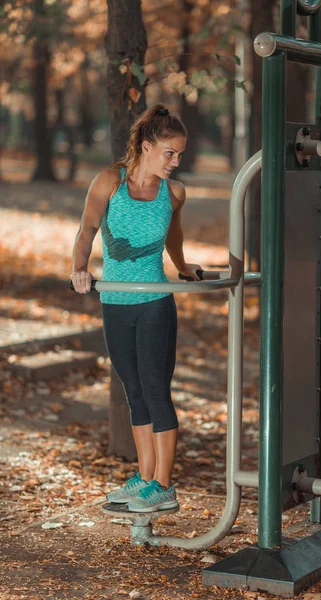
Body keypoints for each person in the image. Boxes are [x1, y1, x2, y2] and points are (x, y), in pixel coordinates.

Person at [71, 104, 201, 513]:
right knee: (134, 392)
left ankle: (163, 485)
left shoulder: (173, 193)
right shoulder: (108, 181)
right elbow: (87, 229)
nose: (176, 162)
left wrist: (183, 267)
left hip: (154, 304)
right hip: (114, 302)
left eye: (179, 155)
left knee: (155, 390)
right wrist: (79, 267)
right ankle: (145, 478)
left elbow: (173, 240)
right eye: (169, 153)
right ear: (147, 147)